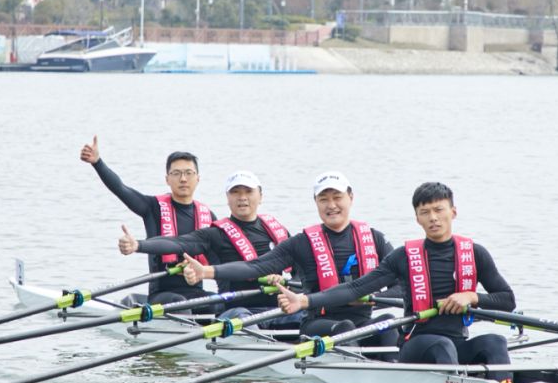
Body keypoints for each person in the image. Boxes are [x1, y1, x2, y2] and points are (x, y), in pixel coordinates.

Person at [275, 181, 516, 382]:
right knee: (443, 346)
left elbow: (507, 300)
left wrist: (473, 297)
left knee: (495, 341)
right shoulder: (403, 257)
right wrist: (305, 301)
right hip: (417, 344)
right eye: (425, 212)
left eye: (439, 210)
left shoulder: (475, 253)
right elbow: (355, 288)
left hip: (457, 342)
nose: (433, 218)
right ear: (417, 219)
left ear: (453, 212)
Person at [183, 171, 400, 357]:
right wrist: (207, 272)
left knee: (389, 321)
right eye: (324, 199)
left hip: (361, 323)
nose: (331, 205)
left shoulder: (374, 238)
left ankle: (392, 368)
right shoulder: (301, 243)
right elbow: (255, 267)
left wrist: (374, 301)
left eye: (337, 197)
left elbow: (403, 288)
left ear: (351, 198)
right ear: (316, 202)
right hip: (318, 324)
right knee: (345, 328)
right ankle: (357, 371)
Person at [118, 171, 293, 321]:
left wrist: (284, 281)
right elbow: (176, 243)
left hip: (279, 311)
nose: (242, 198)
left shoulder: (277, 230)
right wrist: (138, 245)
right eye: (236, 192)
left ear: (260, 196)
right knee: (242, 318)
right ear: (227, 198)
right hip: (237, 315)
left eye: (248, 191)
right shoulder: (215, 234)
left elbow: (302, 273)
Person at [80, 135, 215, 304]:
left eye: (189, 173)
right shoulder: (152, 207)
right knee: (180, 303)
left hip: (195, 291)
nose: (183, 178)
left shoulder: (208, 216)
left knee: (219, 302)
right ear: (167, 179)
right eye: (176, 173)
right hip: (162, 294)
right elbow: (121, 189)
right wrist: (97, 162)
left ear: (198, 178)